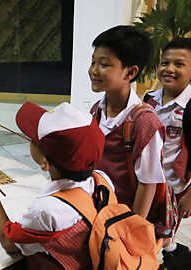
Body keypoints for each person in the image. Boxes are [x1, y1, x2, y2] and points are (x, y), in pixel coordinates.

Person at [0, 101, 111, 269]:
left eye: (34, 138)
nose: (29, 139)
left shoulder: (46, 210)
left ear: (45, 163)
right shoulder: (102, 181)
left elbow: (9, 243)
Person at [88, 25, 166, 222]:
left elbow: (148, 184)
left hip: (123, 219)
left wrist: (130, 227)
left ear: (130, 73)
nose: (94, 71)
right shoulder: (96, 110)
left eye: (104, 64)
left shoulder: (144, 123)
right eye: (93, 62)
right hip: (99, 209)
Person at [143, 37, 191, 264]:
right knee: (146, 228)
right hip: (148, 182)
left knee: (164, 232)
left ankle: (166, 257)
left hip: (175, 187)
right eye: (164, 62)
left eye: (179, 64)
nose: (169, 69)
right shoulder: (149, 100)